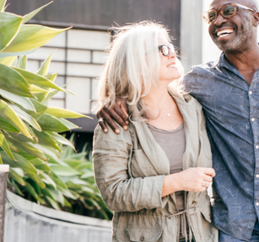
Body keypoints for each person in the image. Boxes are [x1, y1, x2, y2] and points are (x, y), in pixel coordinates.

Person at [97, 0, 259, 241]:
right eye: (211, 15)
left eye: (229, 10)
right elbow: (145, 88)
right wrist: (116, 99)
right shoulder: (198, 83)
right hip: (234, 229)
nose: (218, 20)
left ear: (256, 18)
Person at [92, 21, 218, 242]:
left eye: (171, 47)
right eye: (162, 50)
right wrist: (177, 182)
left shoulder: (195, 108)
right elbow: (113, 193)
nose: (172, 54)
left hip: (201, 235)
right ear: (137, 62)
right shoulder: (117, 121)